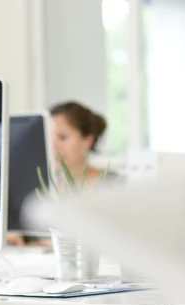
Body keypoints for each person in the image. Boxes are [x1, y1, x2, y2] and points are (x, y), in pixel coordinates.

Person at [6, 100, 120, 247]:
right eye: (49, 137)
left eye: (62, 137)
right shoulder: (37, 188)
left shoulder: (115, 185)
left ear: (88, 140)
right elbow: (27, 235)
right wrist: (14, 236)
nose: (53, 146)